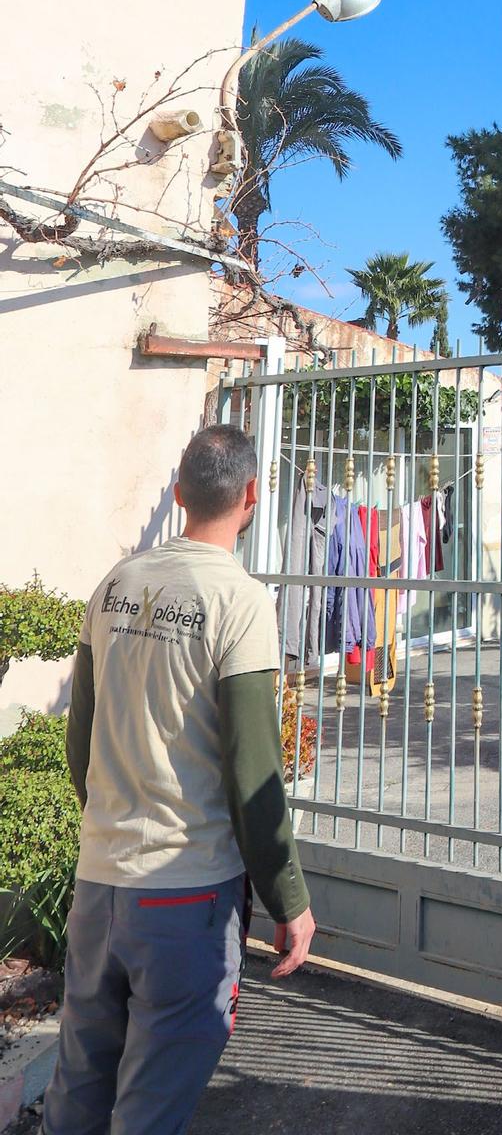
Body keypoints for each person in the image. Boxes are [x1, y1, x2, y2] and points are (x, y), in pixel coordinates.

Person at [44, 425, 316, 1134]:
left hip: (100, 884)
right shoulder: (240, 601)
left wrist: (112, 820)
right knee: (152, 1104)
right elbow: (253, 771)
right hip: (185, 896)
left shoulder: (116, 584)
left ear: (178, 493)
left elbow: (82, 740)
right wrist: (290, 899)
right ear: (252, 494)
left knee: (78, 1088)